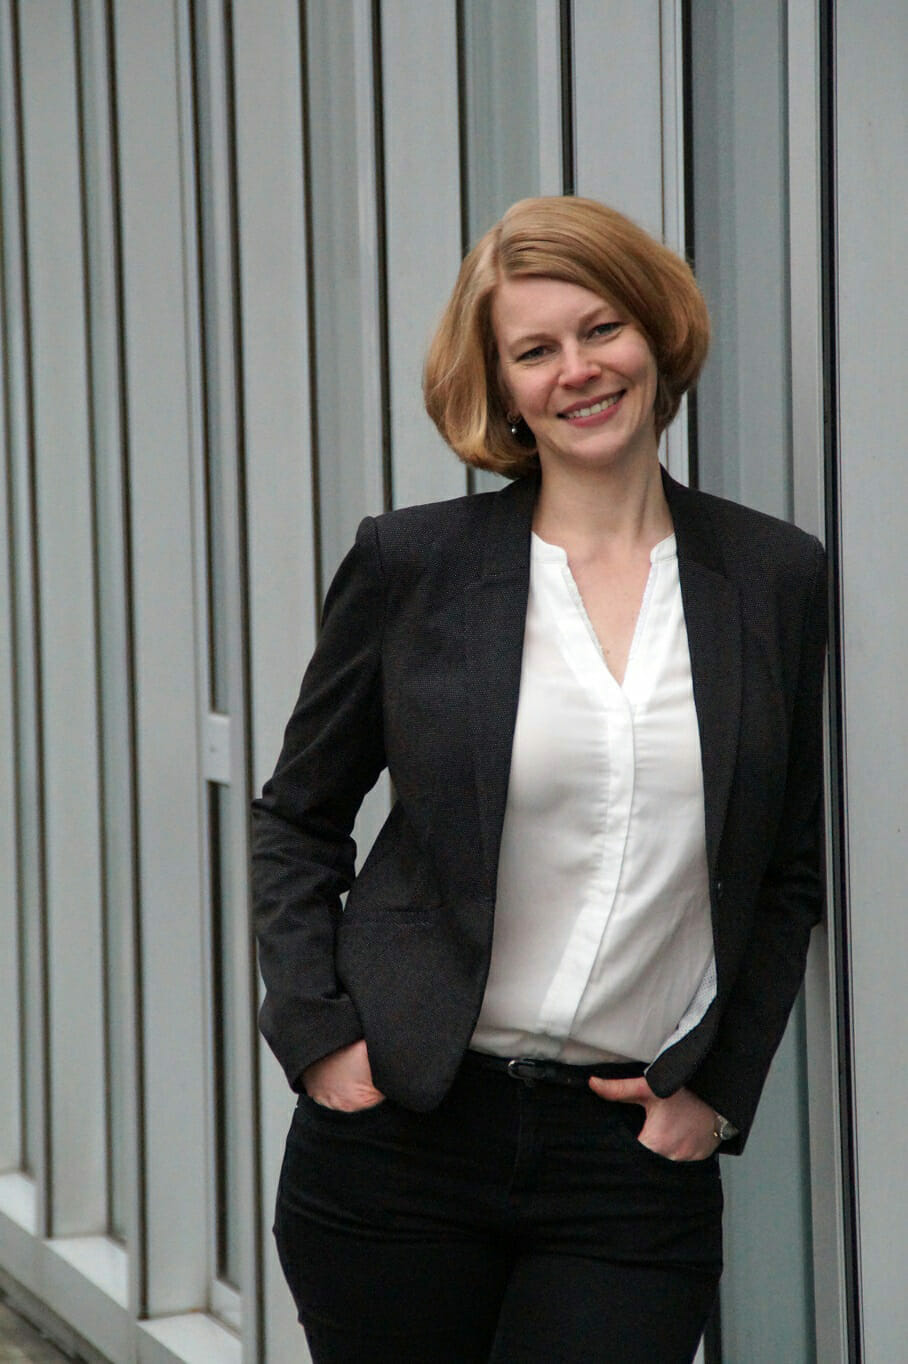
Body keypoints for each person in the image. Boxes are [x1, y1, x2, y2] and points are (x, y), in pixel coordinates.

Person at [252, 196, 827, 1363]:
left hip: (623, 1160)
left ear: (656, 335)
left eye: (600, 327)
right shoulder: (412, 563)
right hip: (402, 1134)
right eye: (535, 349)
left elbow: (785, 867)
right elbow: (297, 815)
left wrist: (712, 1089)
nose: (578, 369)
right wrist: (318, 1035)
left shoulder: (771, 575)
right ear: (502, 387)